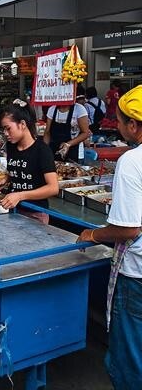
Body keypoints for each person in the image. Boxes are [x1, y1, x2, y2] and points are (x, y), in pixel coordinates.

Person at [77, 84, 142, 390]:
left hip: (137, 276)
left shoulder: (132, 161)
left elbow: (129, 228)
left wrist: (93, 234)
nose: (116, 126)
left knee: (130, 359)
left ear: (134, 125)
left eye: (119, 121)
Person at [0, 99, 59, 224]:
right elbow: (21, 170)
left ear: (22, 124)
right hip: (13, 210)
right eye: (3, 130)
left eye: (8, 129)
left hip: (35, 213)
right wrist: (6, 179)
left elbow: (53, 188)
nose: (5, 134)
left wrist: (20, 195)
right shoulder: (11, 146)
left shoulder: (42, 150)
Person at [44, 94, 91, 161]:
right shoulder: (52, 109)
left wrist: (68, 144)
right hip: (55, 150)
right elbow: (47, 132)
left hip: (74, 152)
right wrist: (44, 149)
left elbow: (85, 133)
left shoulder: (79, 109)